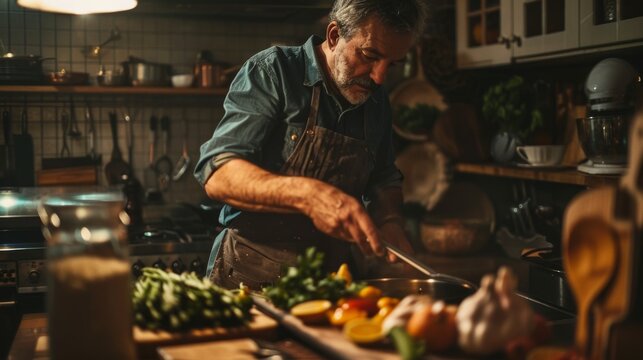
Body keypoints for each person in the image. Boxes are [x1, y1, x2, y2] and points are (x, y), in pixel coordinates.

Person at [194, 0, 429, 290]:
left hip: (328, 282)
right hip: (248, 279)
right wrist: (310, 195)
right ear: (333, 35)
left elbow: (383, 177)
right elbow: (218, 173)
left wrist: (390, 219)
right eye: (369, 55)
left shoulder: (376, 100)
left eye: (391, 64)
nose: (379, 77)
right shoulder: (275, 71)